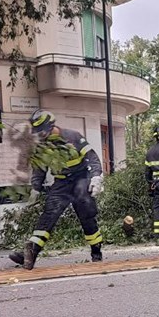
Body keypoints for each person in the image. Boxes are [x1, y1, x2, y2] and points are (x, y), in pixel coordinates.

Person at [9, 110, 104, 269]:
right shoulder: (42, 147)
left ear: (51, 126)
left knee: (86, 214)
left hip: (81, 179)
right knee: (48, 215)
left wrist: (96, 177)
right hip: (61, 184)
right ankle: (30, 253)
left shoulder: (73, 136)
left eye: (43, 131)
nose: (40, 135)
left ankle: (96, 252)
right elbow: (39, 170)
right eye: (38, 132)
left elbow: (92, 158)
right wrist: (35, 189)